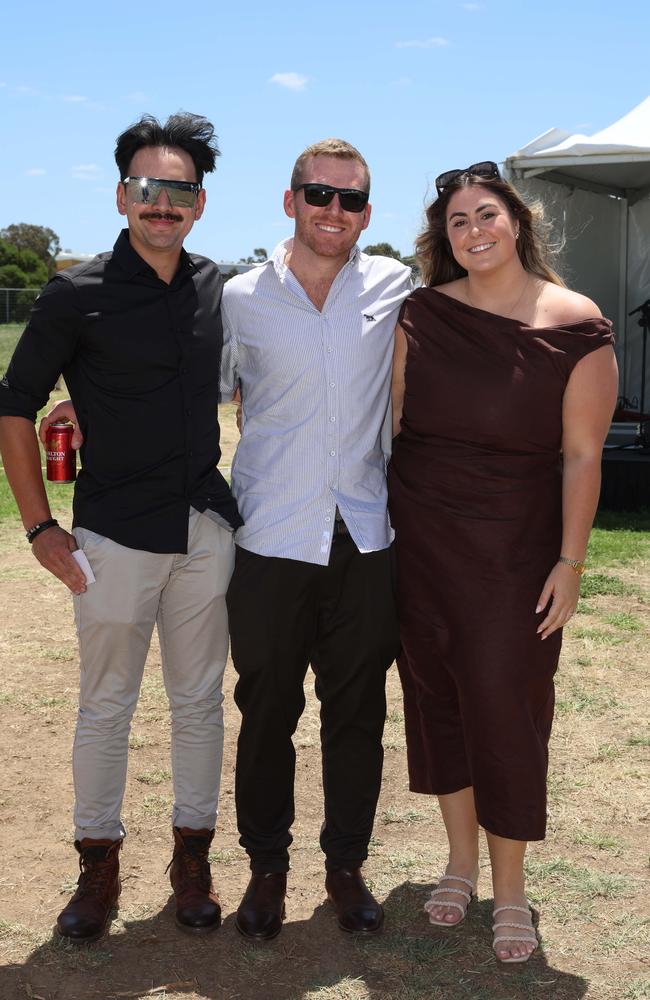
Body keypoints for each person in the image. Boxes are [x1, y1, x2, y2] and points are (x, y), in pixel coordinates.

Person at [0, 113, 242, 943]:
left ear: (200, 204)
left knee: (200, 705)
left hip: (204, 528)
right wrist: (39, 527)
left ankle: (193, 864)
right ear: (122, 195)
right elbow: (12, 404)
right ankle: (96, 869)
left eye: (178, 190)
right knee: (106, 707)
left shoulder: (219, 287)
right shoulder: (77, 292)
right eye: (147, 188)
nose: (162, 203)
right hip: (110, 535)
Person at [389, 161, 618, 962]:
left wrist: (571, 561)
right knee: (437, 699)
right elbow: (385, 423)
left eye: (486, 214)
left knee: (508, 709)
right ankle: (457, 864)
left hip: (517, 553)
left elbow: (583, 457)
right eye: (457, 221)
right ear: (443, 237)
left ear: (517, 221)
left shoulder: (575, 320)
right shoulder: (419, 314)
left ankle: (511, 890)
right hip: (419, 541)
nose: (474, 230)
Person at [221, 138, 412, 939]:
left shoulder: (398, 287)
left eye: (352, 200)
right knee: (266, 709)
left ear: (368, 212)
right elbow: (186, 381)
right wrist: (87, 405)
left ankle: (346, 867)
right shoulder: (237, 297)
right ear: (290, 199)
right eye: (319, 194)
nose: (335, 211)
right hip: (269, 535)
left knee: (358, 711)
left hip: (366, 536)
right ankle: (266, 869)